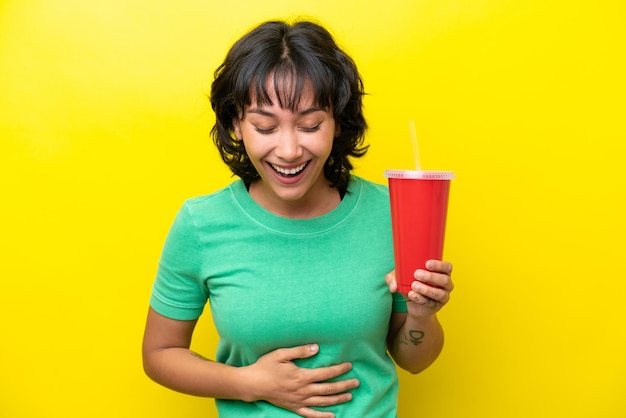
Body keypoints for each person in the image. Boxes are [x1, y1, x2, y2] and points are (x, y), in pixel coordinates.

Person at [142, 19, 454, 418]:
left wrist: (421, 315)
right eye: (265, 126)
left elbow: (415, 359)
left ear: (337, 121)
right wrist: (249, 382)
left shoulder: (389, 213)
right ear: (236, 124)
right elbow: (159, 354)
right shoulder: (202, 224)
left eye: (309, 125)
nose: (288, 150)